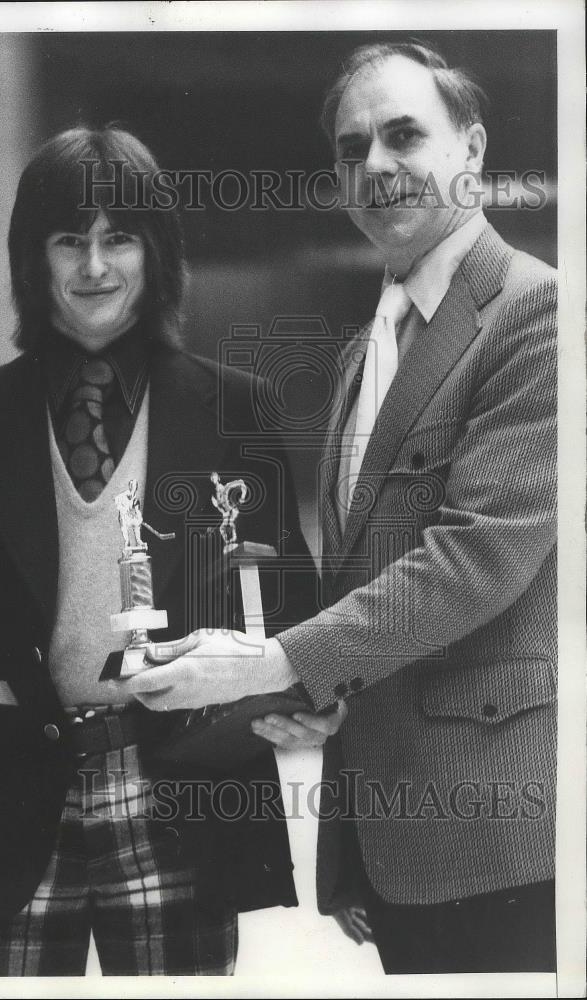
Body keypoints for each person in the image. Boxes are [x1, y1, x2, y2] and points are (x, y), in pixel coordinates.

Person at [0, 125, 340, 976]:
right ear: (30, 257)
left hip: (182, 794)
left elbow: (294, 598)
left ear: (157, 255)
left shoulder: (240, 410)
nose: (94, 266)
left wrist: (309, 691)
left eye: (120, 237)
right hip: (1, 796)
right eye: (68, 240)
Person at [126, 42, 557, 975]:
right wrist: (314, 695)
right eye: (350, 147)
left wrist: (276, 659)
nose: (373, 165)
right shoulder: (373, 342)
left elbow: (480, 557)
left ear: (472, 149)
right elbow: (363, 571)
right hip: (394, 838)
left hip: (502, 841)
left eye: (404, 135)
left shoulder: (538, 313)